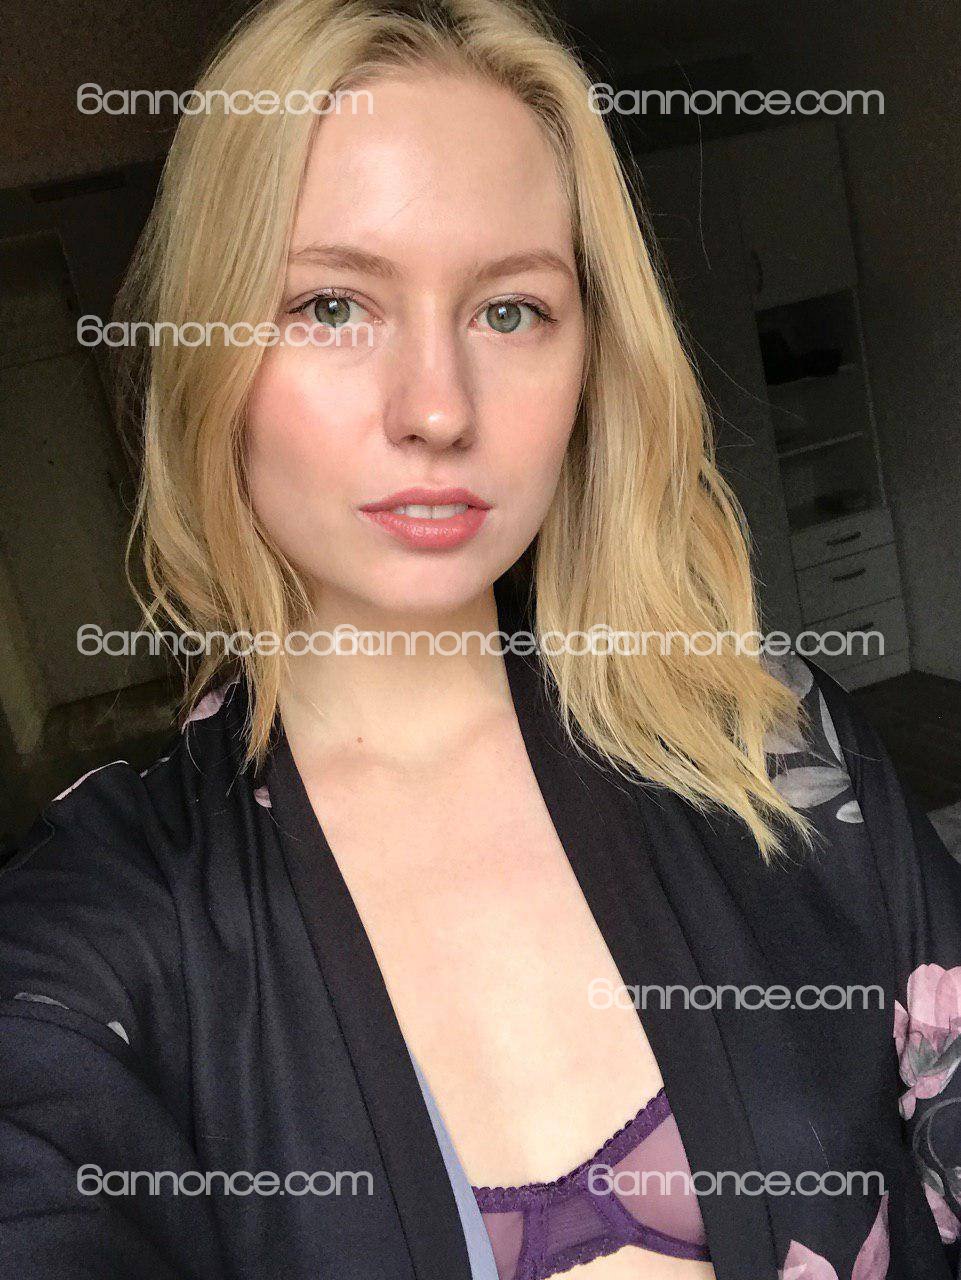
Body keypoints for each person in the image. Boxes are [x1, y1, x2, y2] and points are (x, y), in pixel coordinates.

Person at [2, 1, 960, 1278]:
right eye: (332, 304)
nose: (438, 408)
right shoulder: (100, 924)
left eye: (510, 310)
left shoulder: (775, 745)